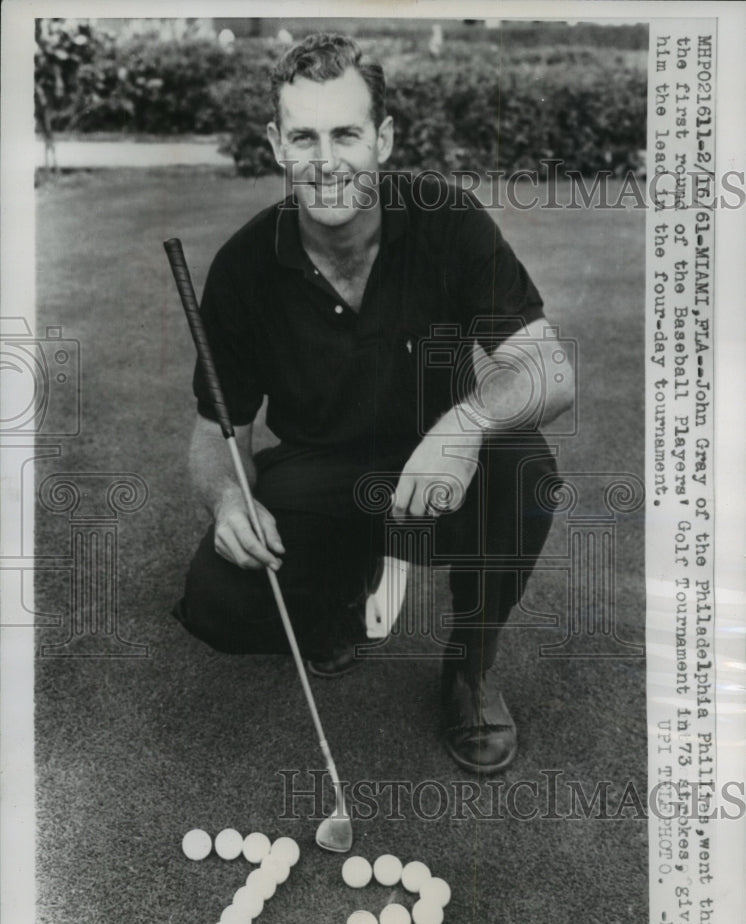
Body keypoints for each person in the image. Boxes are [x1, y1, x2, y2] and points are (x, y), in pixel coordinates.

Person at [173, 32, 574, 775]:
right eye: (304, 136)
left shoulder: (446, 219)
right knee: (217, 606)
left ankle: (470, 667)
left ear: (382, 139)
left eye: (346, 133)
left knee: (524, 473)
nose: (325, 161)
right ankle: (350, 583)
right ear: (276, 145)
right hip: (321, 469)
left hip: (441, 467)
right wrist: (228, 501)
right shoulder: (242, 267)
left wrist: (465, 423)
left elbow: (548, 369)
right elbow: (215, 432)